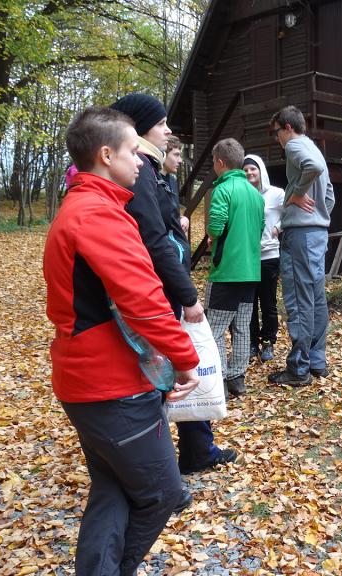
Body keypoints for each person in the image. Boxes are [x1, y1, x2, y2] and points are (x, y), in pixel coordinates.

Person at [43, 106, 200, 575]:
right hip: (110, 386)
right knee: (163, 493)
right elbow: (144, 301)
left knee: (112, 488)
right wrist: (185, 359)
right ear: (106, 155)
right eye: (134, 151)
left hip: (87, 382)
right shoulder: (97, 215)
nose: (141, 160)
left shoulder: (88, 207)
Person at [110, 93, 237, 474]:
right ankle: (164, 465)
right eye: (161, 123)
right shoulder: (141, 174)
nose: (168, 131)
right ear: (138, 128)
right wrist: (189, 296)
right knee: (163, 374)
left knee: (173, 370)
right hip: (158, 293)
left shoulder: (151, 171)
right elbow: (154, 241)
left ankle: (197, 449)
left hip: (163, 288)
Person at [266, 105, 335, 387]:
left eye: (276, 133)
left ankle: (298, 368)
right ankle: (317, 361)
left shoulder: (295, 146)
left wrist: (294, 195)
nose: (277, 139)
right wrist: (320, 216)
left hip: (301, 236)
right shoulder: (315, 148)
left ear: (287, 127)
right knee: (316, 298)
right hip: (317, 234)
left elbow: (313, 169)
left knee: (298, 299)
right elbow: (329, 196)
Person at [205, 138, 265, 398]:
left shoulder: (223, 189)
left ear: (220, 162)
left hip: (226, 271)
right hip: (251, 272)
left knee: (215, 330)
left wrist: (212, 235)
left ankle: (219, 380)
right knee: (242, 327)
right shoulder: (255, 194)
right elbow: (260, 228)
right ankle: (237, 379)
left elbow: (216, 227)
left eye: (213, 162)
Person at [244, 153, 285, 363]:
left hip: (269, 255)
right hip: (247, 257)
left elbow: (290, 212)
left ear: (261, 170)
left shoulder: (276, 194)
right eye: (245, 170)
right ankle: (252, 342)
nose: (249, 172)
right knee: (249, 303)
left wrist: (278, 227)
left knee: (268, 302)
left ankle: (269, 341)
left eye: (253, 168)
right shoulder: (242, 194)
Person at [161, 135, 190, 235]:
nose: (180, 160)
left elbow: (171, 213)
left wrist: (182, 219)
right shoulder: (153, 181)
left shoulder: (172, 181)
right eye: (176, 155)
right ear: (163, 154)